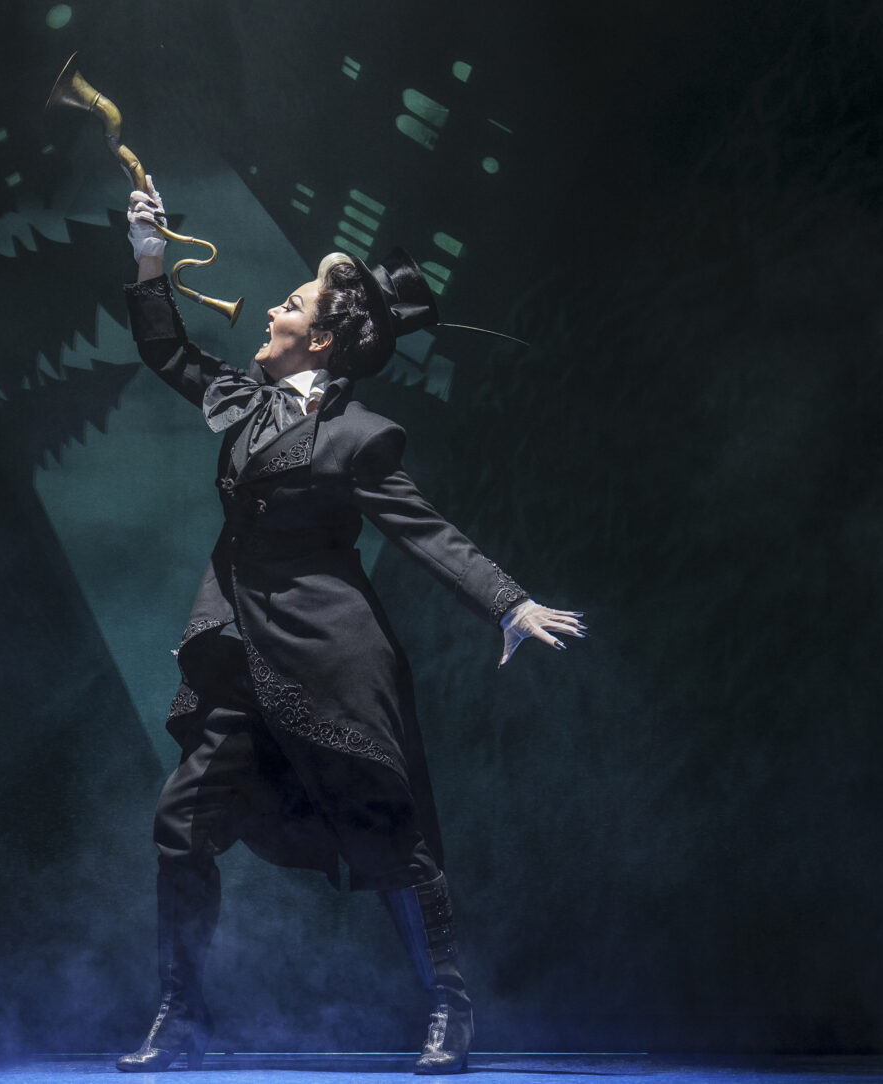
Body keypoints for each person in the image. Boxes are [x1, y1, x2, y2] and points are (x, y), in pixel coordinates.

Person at [115, 178, 584, 1075]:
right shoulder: (242, 402)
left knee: (390, 834)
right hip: (239, 650)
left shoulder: (359, 437)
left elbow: (425, 531)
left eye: (289, 306)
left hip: (331, 657)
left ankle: (448, 1005)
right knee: (182, 823)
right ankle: (181, 1016)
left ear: (321, 339)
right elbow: (165, 348)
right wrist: (148, 255)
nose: (269, 313)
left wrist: (509, 602)